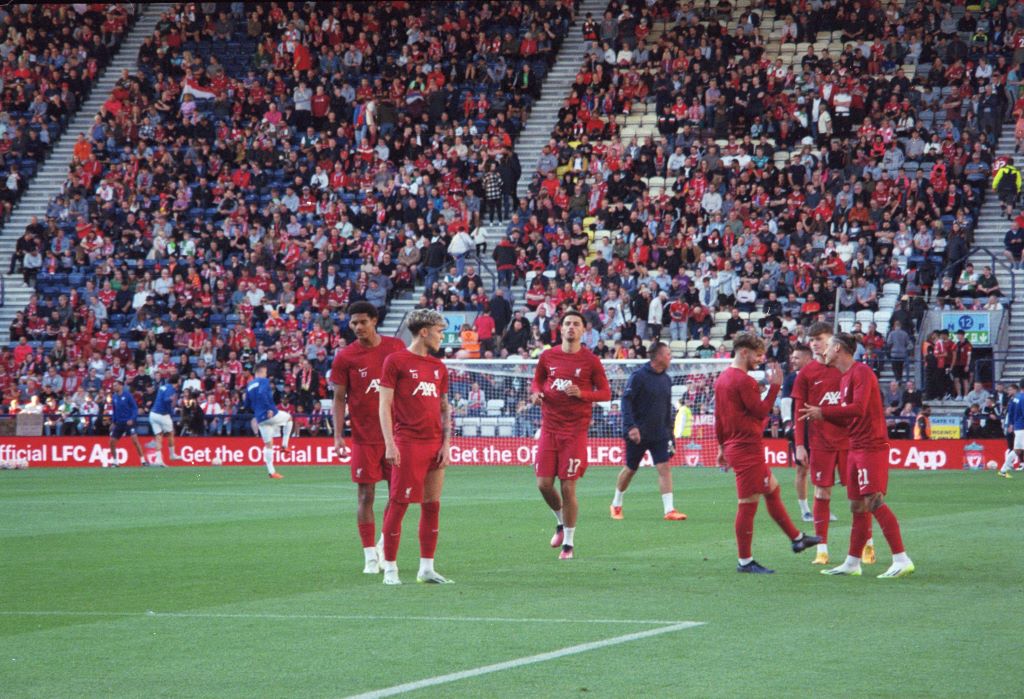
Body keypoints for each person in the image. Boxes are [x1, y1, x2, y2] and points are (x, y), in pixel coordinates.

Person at [800, 333, 915, 579]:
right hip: (855, 445)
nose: (824, 351)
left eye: (828, 346)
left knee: (873, 500)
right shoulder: (844, 378)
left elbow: (859, 409)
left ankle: (901, 558)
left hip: (870, 445)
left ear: (838, 348)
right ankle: (852, 563)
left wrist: (824, 412)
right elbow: (848, 414)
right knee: (857, 505)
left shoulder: (861, 372)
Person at [714, 332, 820, 574]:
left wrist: (721, 447)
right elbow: (761, 411)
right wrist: (774, 388)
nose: (760, 359)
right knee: (747, 504)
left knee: (772, 490)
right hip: (746, 448)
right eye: (757, 354)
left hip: (736, 446)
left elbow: (718, 419)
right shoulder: (743, 381)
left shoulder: (722, 379)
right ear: (743, 352)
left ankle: (797, 538)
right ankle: (745, 561)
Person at [378, 309, 453, 585]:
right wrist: (390, 443)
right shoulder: (395, 361)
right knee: (399, 505)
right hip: (407, 443)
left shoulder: (438, 367)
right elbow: (384, 404)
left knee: (432, 505)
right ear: (424, 331)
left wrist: (446, 443)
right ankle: (390, 569)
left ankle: (426, 568)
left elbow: (445, 408)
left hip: (435, 444)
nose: (442, 336)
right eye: (439, 330)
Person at [330, 301, 406, 574]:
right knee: (366, 495)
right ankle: (369, 556)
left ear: (374, 321)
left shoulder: (395, 347)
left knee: (398, 496)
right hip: (364, 438)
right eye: (353, 323)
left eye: (363, 321)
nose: (358, 327)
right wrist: (338, 436)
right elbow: (339, 399)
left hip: (396, 436)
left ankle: (384, 546)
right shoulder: (345, 357)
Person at [530, 310, 611, 560]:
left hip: (574, 431)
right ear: (560, 328)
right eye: (567, 323)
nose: (571, 327)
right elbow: (537, 381)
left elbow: (606, 393)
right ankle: (560, 522)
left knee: (568, 487)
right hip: (549, 428)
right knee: (543, 484)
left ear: (584, 330)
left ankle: (569, 543)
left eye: (576, 324)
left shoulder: (590, 361)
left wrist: (582, 394)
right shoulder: (548, 356)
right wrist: (536, 393)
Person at [792, 324, 875, 566]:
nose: (815, 344)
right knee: (821, 491)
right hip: (821, 443)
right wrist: (799, 444)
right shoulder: (807, 374)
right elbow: (799, 412)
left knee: (861, 496)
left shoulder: (849, 370)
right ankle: (822, 549)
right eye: (812, 340)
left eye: (819, 339)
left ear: (833, 341)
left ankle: (868, 543)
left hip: (852, 442)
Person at [609, 341, 688, 521]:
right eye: (668, 354)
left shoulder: (666, 379)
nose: (670, 358)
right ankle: (616, 504)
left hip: (659, 433)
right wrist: (631, 427)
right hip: (638, 433)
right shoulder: (638, 376)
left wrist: (670, 436)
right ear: (658, 356)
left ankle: (669, 510)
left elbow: (667, 409)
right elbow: (626, 401)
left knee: (664, 467)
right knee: (630, 469)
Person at [245, 362, 293, 479]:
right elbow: (262, 393)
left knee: (268, 445)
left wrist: (257, 411)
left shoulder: (249, 385)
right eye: (265, 372)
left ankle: (272, 472)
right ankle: (284, 445)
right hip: (270, 414)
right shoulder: (264, 381)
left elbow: (246, 404)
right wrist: (268, 409)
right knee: (289, 419)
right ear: (261, 372)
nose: (266, 374)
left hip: (260, 418)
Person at [108, 380, 148, 468]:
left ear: (121, 386)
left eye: (116, 385)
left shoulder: (128, 395)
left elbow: (134, 408)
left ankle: (143, 461)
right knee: (112, 442)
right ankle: (115, 462)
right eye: (113, 386)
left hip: (128, 422)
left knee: (135, 441)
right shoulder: (114, 397)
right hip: (119, 423)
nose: (114, 387)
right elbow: (114, 410)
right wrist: (113, 422)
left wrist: (132, 419)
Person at [147, 376, 182, 467]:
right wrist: (172, 399)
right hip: (162, 415)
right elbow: (166, 399)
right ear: (177, 382)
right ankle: (172, 454)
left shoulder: (163, 386)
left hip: (153, 414)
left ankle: (158, 460)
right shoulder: (171, 389)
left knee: (159, 437)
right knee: (171, 433)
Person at [1000, 380, 1024, 478]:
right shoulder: (1022, 398)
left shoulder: (1016, 398)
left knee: (1018, 449)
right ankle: (1003, 470)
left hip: (1018, 426)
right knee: (1017, 450)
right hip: (1022, 426)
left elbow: (1011, 412)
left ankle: (1004, 469)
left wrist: (1011, 424)